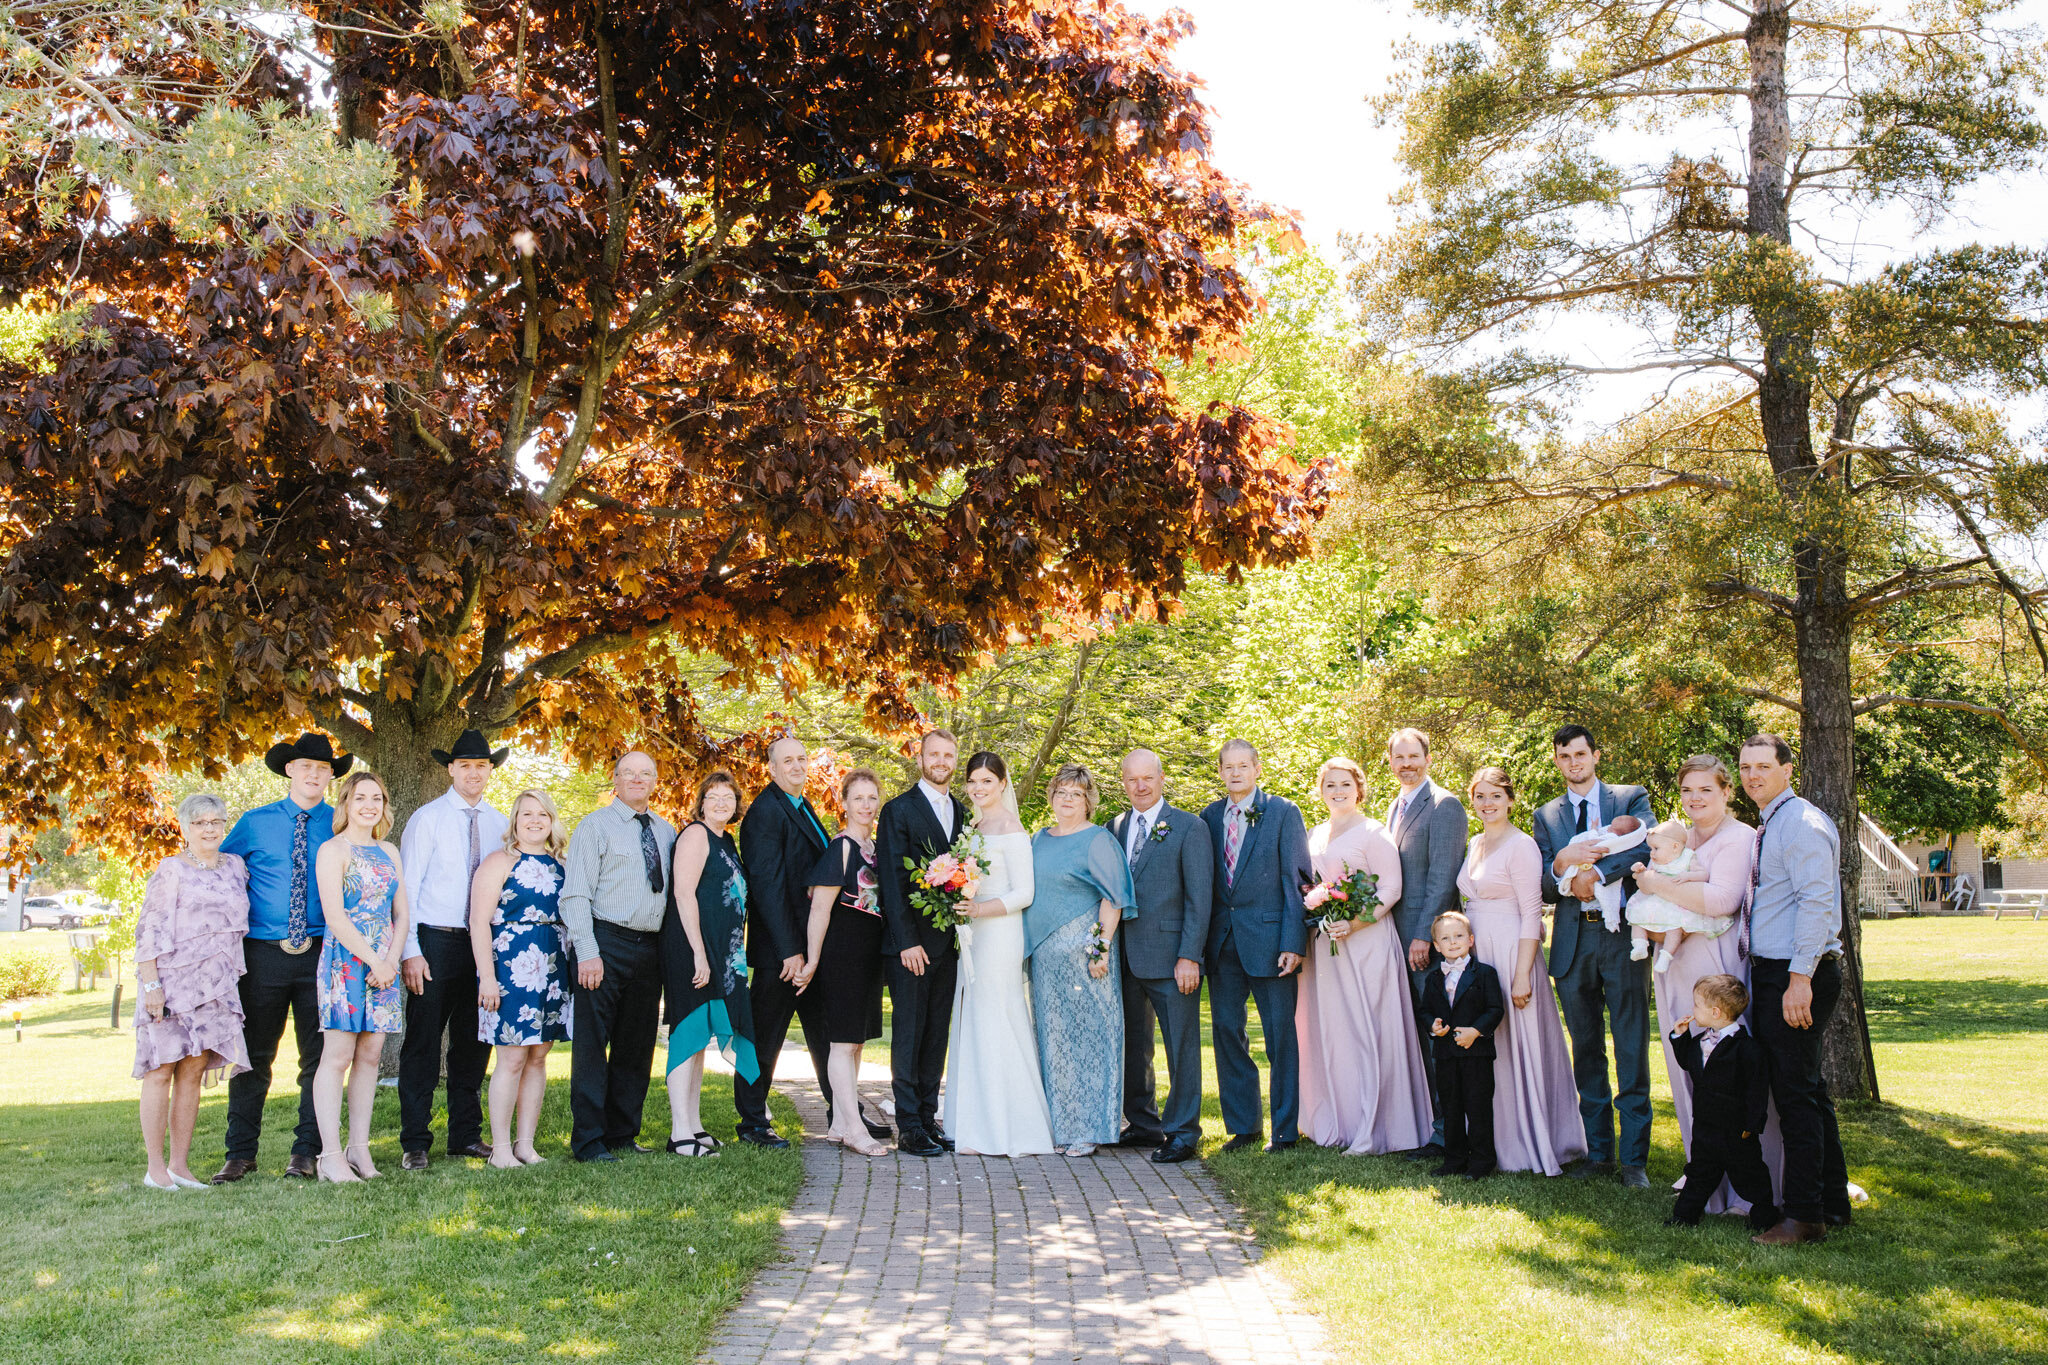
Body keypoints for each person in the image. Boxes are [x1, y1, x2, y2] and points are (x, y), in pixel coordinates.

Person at [1635, 753, 1780, 1218]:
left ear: (1726, 792)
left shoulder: (1739, 839)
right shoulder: (1678, 840)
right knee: (1689, 1067)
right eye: (1686, 791)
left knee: (1730, 1074)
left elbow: (1720, 901)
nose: (1695, 799)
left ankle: (1751, 1186)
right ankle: (1704, 1175)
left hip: (1717, 968)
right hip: (1675, 966)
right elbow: (1663, 910)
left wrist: (1656, 885)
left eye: (1705, 790)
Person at [213, 731, 349, 1183]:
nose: (314, 773)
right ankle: (240, 1152)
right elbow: (220, 877)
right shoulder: (254, 823)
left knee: (319, 1057)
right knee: (252, 1055)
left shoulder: (341, 824)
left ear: (331, 775)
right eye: (305, 766)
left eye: (323, 768)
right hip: (262, 954)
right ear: (289, 769)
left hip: (322, 952)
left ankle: (307, 1150)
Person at [1738, 733, 1852, 1246]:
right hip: (1779, 969)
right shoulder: (1774, 822)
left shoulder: (1801, 823)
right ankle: (1831, 1202)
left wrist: (1798, 979)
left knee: (1795, 1097)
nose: (1753, 775)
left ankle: (1804, 1218)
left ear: (1788, 769)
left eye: (1764, 766)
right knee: (1807, 1088)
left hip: (1795, 971)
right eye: (1745, 767)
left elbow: (1817, 903)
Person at [1532, 723, 1656, 1188]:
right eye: (1564, 757)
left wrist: (1598, 876)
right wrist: (1564, 868)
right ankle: (1599, 1151)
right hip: (1572, 942)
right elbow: (1543, 879)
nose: (1573, 763)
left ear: (1595, 756)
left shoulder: (1629, 799)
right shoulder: (1547, 815)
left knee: (1630, 1046)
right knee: (1586, 1049)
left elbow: (1645, 846)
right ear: (1558, 761)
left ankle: (1635, 1160)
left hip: (1622, 938)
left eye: (1580, 754)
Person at [1295, 756, 1431, 1156]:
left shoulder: (1374, 832)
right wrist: (1322, 913)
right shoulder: (1313, 834)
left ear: (1359, 788)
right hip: (1326, 945)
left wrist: (1352, 923)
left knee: (1369, 1027)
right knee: (1333, 1031)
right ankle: (1338, 1121)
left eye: (1345, 785)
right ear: (1320, 790)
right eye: (1329, 785)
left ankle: (1377, 1125)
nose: (1337, 792)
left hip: (1367, 940)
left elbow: (1391, 888)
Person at [1456, 767, 1587, 1176]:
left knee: (1517, 1043)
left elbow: (1532, 914)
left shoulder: (1522, 845)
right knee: (1485, 1047)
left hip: (1513, 949)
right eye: (1480, 796)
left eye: (1496, 795)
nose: (1488, 803)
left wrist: (1521, 974)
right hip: (1478, 952)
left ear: (1511, 800)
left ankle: (1531, 1142)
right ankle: (1489, 1141)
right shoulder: (1474, 843)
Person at [396, 728, 510, 1169]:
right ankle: (415, 1142)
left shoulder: (502, 823)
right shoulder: (428, 819)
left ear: (489, 771)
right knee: (422, 1042)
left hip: (483, 947)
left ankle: (465, 1135)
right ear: (450, 769)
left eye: (481, 766)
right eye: (465, 766)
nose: (474, 773)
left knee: (473, 1043)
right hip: (434, 941)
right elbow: (407, 887)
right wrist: (410, 950)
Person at [559, 751, 676, 1163]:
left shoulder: (666, 831)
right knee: (593, 1046)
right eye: (629, 773)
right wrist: (587, 952)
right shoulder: (594, 827)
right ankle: (589, 1140)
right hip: (603, 942)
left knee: (636, 1045)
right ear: (615, 779)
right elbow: (574, 894)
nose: (638, 779)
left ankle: (622, 1134)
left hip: (650, 949)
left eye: (646, 773)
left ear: (655, 780)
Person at [134, 793, 252, 1190]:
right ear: (185, 828)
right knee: (160, 1069)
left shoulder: (235, 867)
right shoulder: (171, 870)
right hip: (171, 983)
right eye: (200, 823)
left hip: (215, 986)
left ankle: (180, 1167)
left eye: (216, 822)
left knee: (192, 1071)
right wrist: (152, 985)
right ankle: (155, 1169)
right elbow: (148, 930)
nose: (209, 829)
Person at [1201, 739, 1312, 1153]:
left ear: (1257, 768)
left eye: (1242, 766)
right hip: (1222, 942)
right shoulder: (1209, 818)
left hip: (1271, 941)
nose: (1235, 773)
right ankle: (1244, 1127)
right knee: (1228, 1032)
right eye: (1227, 767)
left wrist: (1293, 941)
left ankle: (1285, 1130)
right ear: (1220, 771)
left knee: (1280, 1037)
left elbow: (1297, 881)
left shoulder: (1283, 812)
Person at [942, 751, 1054, 1157]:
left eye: (987, 781)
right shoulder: (971, 825)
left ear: (1003, 784)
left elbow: (1024, 893)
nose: (978, 788)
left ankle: (1007, 1126)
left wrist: (980, 909)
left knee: (996, 1014)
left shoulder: (1012, 828)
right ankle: (972, 1122)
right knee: (971, 1017)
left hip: (999, 930)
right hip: (970, 931)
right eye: (973, 781)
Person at [733, 735, 842, 1149]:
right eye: (788, 760)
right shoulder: (764, 812)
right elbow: (767, 887)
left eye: (802, 758)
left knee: (825, 1034)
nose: (797, 766)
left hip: (810, 951)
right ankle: (752, 1123)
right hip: (782, 954)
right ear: (772, 768)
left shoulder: (801, 805)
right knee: (764, 1039)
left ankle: (842, 1109)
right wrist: (790, 951)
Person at [1109, 748, 1212, 1165]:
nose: (1140, 786)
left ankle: (1184, 1131)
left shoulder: (1189, 827)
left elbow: (1199, 898)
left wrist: (1190, 955)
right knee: (1135, 1046)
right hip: (1125, 958)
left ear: (1161, 777)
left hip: (1173, 958)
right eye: (1132, 779)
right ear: (1124, 782)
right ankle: (1143, 1122)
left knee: (1181, 1045)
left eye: (1147, 778)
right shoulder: (1113, 827)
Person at [1028, 763, 1137, 1157]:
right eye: (1061, 792)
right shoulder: (1038, 839)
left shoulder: (1098, 840)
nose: (1067, 799)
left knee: (1090, 1039)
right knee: (1054, 1040)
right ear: (1052, 798)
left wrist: (1101, 948)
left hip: (1086, 960)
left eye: (1075, 793)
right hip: (1046, 962)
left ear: (1088, 800)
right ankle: (1061, 1126)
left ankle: (1091, 1129)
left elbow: (1113, 898)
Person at [311, 771, 410, 1182]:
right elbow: (334, 916)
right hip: (347, 962)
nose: (369, 805)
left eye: (377, 798)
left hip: (385, 964)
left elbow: (402, 914)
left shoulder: (389, 850)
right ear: (346, 804)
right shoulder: (333, 850)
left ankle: (360, 1151)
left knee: (370, 1057)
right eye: (361, 798)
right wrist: (374, 961)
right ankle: (329, 1156)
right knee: (338, 1058)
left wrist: (390, 960)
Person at [876, 730, 970, 1157]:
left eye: (948, 755)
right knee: (909, 1034)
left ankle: (929, 1117)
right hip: (911, 948)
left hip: (950, 945)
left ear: (955, 761)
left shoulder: (965, 814)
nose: (941, 761)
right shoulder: (898, 810)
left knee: (936, 1035)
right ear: (921, 759)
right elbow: (892, 883)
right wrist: (905, 942)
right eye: (934, 754)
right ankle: (909, 1125)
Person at [471, 788, 572, 1170]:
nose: (534, 821)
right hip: (511, 965)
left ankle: (525, 1145)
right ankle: (499, 1148)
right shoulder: (499, 862)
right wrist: (487, 978)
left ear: (551, 820)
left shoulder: (561, 863)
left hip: (553, 964)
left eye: (542, 814)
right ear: (514, 820)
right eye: (526, 814)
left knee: (539, 1055)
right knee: (511, 1056)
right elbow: (478, 921)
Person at [661, 771, 760, 1158]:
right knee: (687, 1034)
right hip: (692, 949)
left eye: (729, 797)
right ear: (701, 802)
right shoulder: (695, 835)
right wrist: (699, 953)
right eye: (713, 796)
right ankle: (678, 1133)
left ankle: (695, 1125)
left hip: (723, 951)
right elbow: (684, 895)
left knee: (701, 1038)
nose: (721, 803)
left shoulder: (726, 840)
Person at [1382, 727, 1469, 1161]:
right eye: (1399, 758)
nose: (1406, 765)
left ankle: (1448, 1133)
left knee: (1439, 1034)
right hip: (1393, 941)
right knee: (1417, 1035)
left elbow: (1442, 878)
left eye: (1413, 756)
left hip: (1429, 942)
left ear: (1428, 758)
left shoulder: (1445, 806)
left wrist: (1422, 935)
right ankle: (1429, 1122)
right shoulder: (1393, 808)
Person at [795, 768, 890, 1156]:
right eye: (858, 799)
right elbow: (819, 910)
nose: (865, 805)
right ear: (845, 803)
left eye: (871, 798)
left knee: (855, 1044)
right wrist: (813, 960)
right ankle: (852, 1126)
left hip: (869, 956)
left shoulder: (875, 848)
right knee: (842, 1043)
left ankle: (838, 1125)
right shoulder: (843, 848)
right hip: (842, 955)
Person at [1665, 974, 1779, 1230]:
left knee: (1750, 1175)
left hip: (1736, 1130)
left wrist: (1752, 1125)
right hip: (1705, 1126)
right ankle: (1684, 1216)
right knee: (1698, 1173)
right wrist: (1679, 1036)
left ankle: (1764, 1218)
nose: (1692, 1010)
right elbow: (1688, 1063)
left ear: (1715, 1012)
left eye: (1697, 1005)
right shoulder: (1700, 1041)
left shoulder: (1748, 1049)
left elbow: (1756, 1090)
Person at [1417, 911, 1503, 1179]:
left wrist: (1476, 1031)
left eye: (1458, 936)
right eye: (1445, 938)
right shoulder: (1433, 979)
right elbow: (1425, 1010)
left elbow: (1495, 1009)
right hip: (1445, 1055)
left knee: (1478, 1108)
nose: (1453, 942)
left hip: (1476, 1054)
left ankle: (1481, 1162)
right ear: (1436, 946)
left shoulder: (1485, 973)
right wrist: (1433, 1026)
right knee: (1451, 1108)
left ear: (1470, 939)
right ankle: (1453, 1159)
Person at [1624, 818, 1715, 972]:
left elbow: (1703, 874)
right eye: (1650, 848)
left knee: (1674, 928)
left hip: (1675, 902)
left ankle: (1666, 956)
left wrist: (1688, 876)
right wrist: (1640, 870)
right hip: (1655, 900)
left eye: (1656, 848)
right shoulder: (1656, 860)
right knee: (1637, 918)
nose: (1651, 853)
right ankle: (1639, 945)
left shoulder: (1687, 857)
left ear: (1675, 846)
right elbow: (1648, 877)